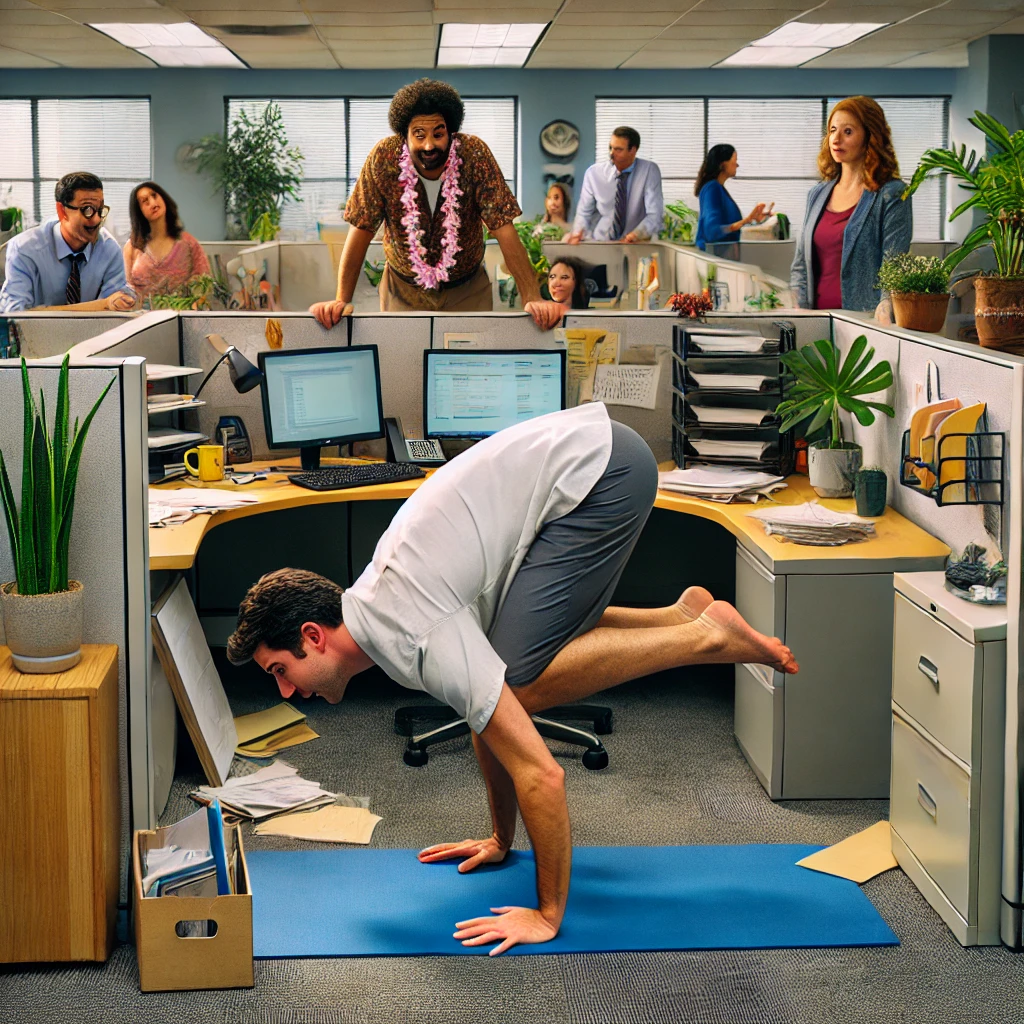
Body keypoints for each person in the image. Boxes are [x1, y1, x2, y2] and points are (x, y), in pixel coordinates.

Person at [226, 403, 799, 956]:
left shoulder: (410, 629)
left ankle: (705, 638)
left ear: (313, 635)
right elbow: (483, 715)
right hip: (591, 462)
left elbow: (543, 775)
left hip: (603, 472)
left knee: (515, 690)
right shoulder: (383, 613)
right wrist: (501, 840)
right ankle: (681, 617)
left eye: (281, 670)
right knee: (500, 689)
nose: (285, 689)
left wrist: (547, 915)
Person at [309, 79, 563, 332]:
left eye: (438, 134)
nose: (429, 145)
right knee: (403, 362)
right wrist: (342, 299)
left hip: (467, 287)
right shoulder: (383, 158)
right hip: (403, 289)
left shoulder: (474, 155)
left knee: (471, 364)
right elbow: (361, 230)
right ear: (404, 135)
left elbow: (504, 229)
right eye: (419, 135)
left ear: (451, 133)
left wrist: (533, 298)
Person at [790, 96, 912, 316]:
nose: (835, 139)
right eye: (833, 130)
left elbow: (893, 265)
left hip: (863, 321)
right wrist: (798, 309)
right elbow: (801, 263)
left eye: (847, 132)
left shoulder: (891, 194)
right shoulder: (817, 194)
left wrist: (886, 309)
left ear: (869, 137)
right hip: (815, 320)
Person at [0, 171, 134, 313]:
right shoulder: (24, 249)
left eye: (100, 210)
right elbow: (16, 315)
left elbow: (112, 314)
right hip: (37, 335)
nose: (96, 220)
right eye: (87, 210)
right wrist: (102, 305)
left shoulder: (109, 249)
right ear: (62, 211)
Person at [566, 127, 664, 244]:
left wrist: (636, 234)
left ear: (633, 150)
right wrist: (578, 232)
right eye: (610, 148)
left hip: (634, 243)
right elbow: (584, 213)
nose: (612, 154)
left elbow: (655, 215)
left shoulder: (649, 171)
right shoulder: (593, 174)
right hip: (600, 242)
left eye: (618, 150)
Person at [123, 181, 210, 303]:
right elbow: (128, 289)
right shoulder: (132, 247)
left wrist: (194, 306)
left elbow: (204, 284)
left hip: (182, 315)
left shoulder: (188, 243)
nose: (153, 203)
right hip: (143, 317)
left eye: (154, 196)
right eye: (145, 201)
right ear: (139, 211)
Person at [694, 145, 774, 252]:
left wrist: (752, 220)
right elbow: (711, 231)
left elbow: (729, 227)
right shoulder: (712, 189)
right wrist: (745, 221)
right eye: (734, 160)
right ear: (723, 164)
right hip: (714, 260)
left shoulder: (718, 189)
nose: (737, 165)